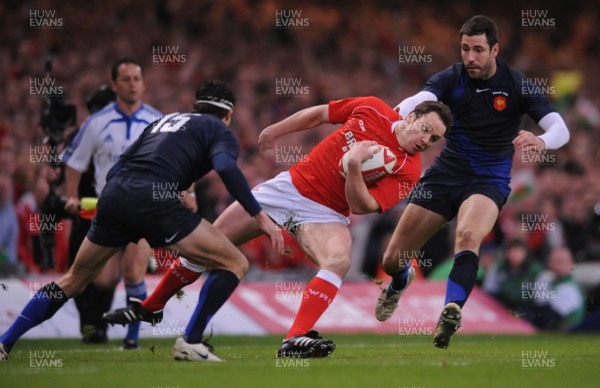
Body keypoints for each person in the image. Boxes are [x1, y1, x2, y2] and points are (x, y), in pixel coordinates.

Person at [103, 95, 453, 360]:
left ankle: (294, 338)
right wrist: (276, 129)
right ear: (413, 116)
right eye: (426, 130)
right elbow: (319, 113)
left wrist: (355, 168)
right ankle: (152, 306)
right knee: (209, 243)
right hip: (288, 187)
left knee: (338, 260)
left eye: (434, 139)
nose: (426, 141)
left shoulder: (409, 171)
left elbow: (362, 206)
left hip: (327, 212)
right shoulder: (373, 108)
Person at [0, 80, 283, 362]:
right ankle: (191, 342)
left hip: (115, 195)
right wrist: (260, 215)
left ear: (196, 106)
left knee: (73, 280)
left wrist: (123, 207)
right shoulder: (219, 129)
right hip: (153, 200)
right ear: (229, 115)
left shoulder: (164, 122)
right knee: (235, 262)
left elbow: (119, 167)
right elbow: (224, 166)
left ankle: (5, 342)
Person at [374, 15, 570, 349]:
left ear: (495, 49)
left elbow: (560, 129)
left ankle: (451, 309)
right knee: (392, 259)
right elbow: (420, 100)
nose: (470, 57)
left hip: (488, 180)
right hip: (443, 177)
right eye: (465, 49)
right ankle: (399, 280)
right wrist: (398, 116)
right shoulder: (453, 78)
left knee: (467, 237)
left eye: (478, 49)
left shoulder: (517, 84)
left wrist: (542, 141)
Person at [61, 58, 162, 348]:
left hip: (143, 207)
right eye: (126, 79)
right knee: (103, 280)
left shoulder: (157, 120)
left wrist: (183, 191)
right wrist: (71, 195)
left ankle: (132, 338)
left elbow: (178, 158)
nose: (133, 84)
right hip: (107, 210)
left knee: (133, 270)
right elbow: (74, 162)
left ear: (143, 84)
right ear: (115, 84)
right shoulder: (97, 122)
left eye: (137, 79)